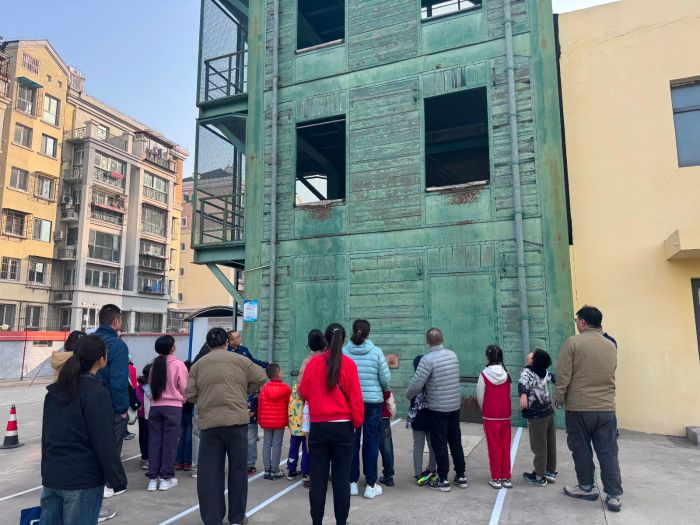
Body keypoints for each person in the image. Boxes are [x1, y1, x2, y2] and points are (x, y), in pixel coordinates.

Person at [40, 335, 127, 525]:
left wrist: (45, 470)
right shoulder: (96, 392)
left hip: (53, 475)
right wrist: (118, 479)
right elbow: (103, 440)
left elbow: (46, 436)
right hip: (82, 479)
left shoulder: (55, 391)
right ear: (101, 359)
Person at [186, 327, 267, 525]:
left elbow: (190, 395)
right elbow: (261, 377)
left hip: (210, 425)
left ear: (208, 345)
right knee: (238, 471)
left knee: (209, 474)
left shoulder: (198, 365)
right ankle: (236, 518)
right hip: (236, 423)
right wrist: (245, 390)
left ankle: (212, 518)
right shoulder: (241, 360)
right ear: (226, 343)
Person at [555, 305, 623, 512]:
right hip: (606, 408)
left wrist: (559, 398)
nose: (577, 323)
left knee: (581, 449)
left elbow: (563, 375)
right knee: (608, 452)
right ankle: (614, 496)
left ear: (583, 322)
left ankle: (586, 487)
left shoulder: (573, 343)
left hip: (580, 408)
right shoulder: (610, 345)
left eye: (577, 320)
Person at [299, 323, 364, 525]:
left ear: (325, 340)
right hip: (343, 427)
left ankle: (317, 521)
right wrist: (356, 423)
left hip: (319, 426)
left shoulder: (314, 363)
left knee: (318, 480)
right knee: (341, 481)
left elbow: (304, 392)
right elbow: (356, 399)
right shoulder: (349, 365)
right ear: (343, 340)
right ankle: (341, 522)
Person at [405, 328, 467, 492]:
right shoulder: (453, 355)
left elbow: (417, 384)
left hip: (438, 408)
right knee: (455, 441)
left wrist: (408, 395)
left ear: (427, 342)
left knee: (439, 443)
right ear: (443, 339)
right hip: (454, 406)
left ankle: (443, 479)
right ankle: (461, 476)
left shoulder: (427, 360)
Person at [343, 319, 391, 499]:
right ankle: (371, 485)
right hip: (373, 402)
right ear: (368, 333)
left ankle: (352, 483)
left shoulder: (344, 352)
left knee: (352, 443)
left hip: (351, 403)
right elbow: (385, 379)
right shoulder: (376, 352)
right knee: (371, 443)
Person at [93, 304, 129, 519]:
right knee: (110, 448)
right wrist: (122, 409)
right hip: (108, 405)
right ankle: (106, 484)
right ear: (115, 321)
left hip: (85, 402)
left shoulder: (88, 341)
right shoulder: (117, 346)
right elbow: (118, 380)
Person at [146, 335, 188, 492]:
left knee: (154, 442)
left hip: (155, 407)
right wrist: (183, 398)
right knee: (170, 443)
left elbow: (151, 385)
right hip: (173, 407)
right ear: (172, 348)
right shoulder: (178, 364)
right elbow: (184, 387)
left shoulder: (154, 366)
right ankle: (166, 478)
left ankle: (152, 479)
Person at [476, 345, 513, 490]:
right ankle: (506, 478)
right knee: (505, 446)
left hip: (490, 415)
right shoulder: (507, 374)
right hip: (505, 415)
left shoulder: (484, 374)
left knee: (494, 447)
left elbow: (480, 396)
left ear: (487, 357)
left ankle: (496, 478)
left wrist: (485, 409)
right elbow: (508, 393)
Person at [519, 348, 557, 487]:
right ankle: (550, 471)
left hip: (536, 415)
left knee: (539, 446)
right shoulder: (545, 372)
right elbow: (555, 378)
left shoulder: (527, 372)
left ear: (533, 361)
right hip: (548, 413)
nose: (530, 355)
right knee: (550, 443)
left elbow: (522, 383)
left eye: (533, 355)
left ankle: (539, 476)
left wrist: (523, 394)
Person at [406, 355, 436, 485]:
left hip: (417, 417)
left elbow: (409, 395)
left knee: (418, 445)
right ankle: (432, 470)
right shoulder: (432, 381)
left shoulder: (415, 382)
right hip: (432, 416)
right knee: (433, 445)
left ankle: (418, 474)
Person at [258, 363, 291, 480]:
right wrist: (288, 421)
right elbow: (289, 405)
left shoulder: (264, 388)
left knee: (266, 443)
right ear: (278, 374)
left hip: (266, 421)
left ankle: (267, 470)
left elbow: (260, 406)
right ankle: (275, 470)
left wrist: (260, 420)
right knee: (277, 444)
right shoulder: (285, 388)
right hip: (279, 421)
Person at [175, 360, 194, 471]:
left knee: (181, 436)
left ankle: (178, 461)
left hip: (181, 409)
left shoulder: (180, 378)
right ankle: (187, 462)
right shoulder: (192, 380)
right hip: (190, 410)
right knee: (189, 437)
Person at [378, 390, 396, 486]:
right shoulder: (385, 386)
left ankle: (370, 477)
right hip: (384, 418)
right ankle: (388, 477)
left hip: (369, 417)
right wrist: (390, 416)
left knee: (370, 449)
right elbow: (391, 404)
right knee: (387, 449)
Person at [136, 364, 152, 471]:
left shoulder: (140, 385)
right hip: (146, 414)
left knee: (143, 435)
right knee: (148, 436)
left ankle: (145, 456)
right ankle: (147, 458)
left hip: (142, 414)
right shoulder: (147, 386)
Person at [246, 392, 259, 476]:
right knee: (251, 444)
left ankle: (240, 464)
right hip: (251, 421)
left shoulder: (236, 391)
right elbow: (254, 409)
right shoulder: (253, 394)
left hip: (238, 421)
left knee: (240, 443)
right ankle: (250, 465)